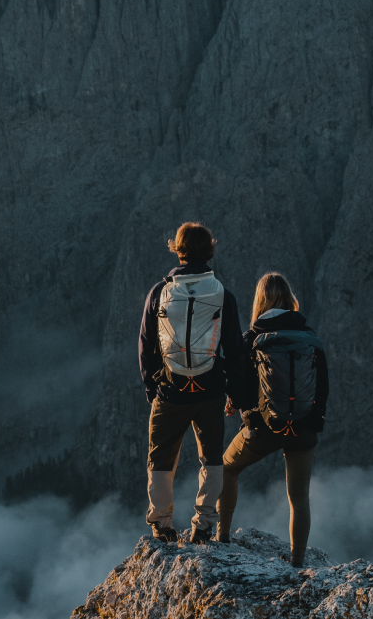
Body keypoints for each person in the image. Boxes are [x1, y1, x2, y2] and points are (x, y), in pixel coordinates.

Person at [139, 222, 246, 544]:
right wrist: (236, 393)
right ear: (209, 249)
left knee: (160, 457)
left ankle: (162, 523)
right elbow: (234, 349)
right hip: (210, 389)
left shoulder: (160, 291)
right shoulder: (222, 294)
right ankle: (203, 524)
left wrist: (152, 385)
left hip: (170, 389)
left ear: (178, 248)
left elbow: (147, 344)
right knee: (211, 457)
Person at [216, 272, 329, 568]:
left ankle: (222, 537)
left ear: (260, 301)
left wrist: (236, 407)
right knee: (299, 497)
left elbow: (240, 387)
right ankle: (297, 562)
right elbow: (322, 388)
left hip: (264, 429)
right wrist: (310, 425)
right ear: (290, 299)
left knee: (226, 468)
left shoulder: (252, 339)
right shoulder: (310, 338)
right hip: (303, 430)